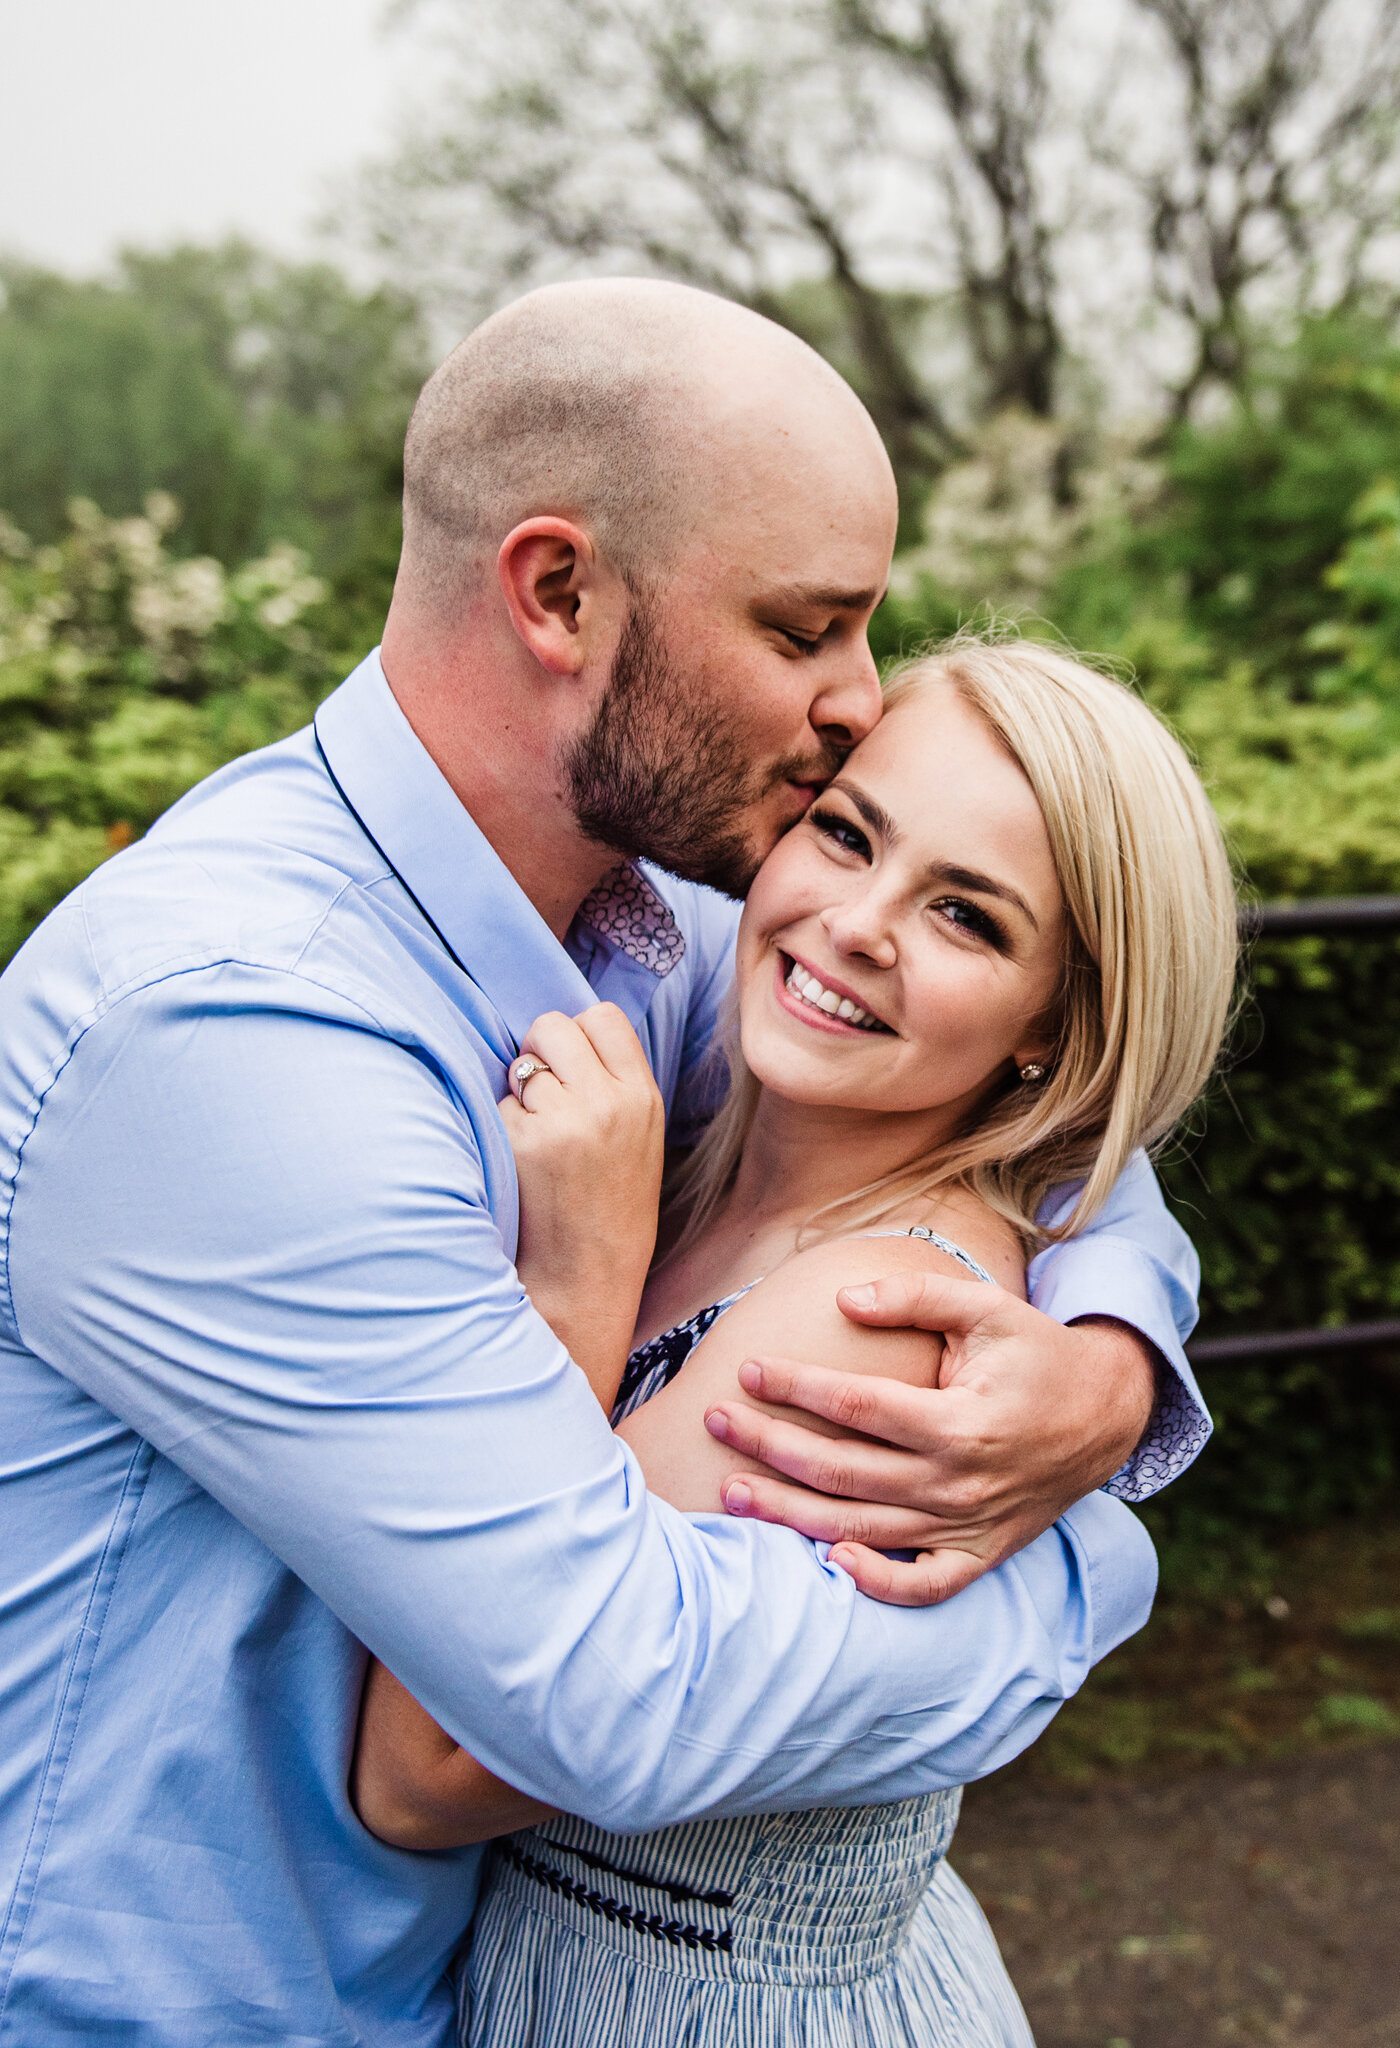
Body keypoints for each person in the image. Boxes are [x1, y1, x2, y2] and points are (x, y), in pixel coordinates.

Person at [0, 281, 1206, 2044]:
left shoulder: (643, 930)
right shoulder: (245, 1034)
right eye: (809, 629)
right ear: (561, 593)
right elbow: (565, 1700)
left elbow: (1029, 1107)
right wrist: (1085, 1578)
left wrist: (1102, 1375)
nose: (857, 703)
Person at [350, 633, 1238, 2045]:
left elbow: (433, 1769)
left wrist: (579, 1284)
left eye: (969, 918)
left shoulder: (869, 1317)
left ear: (1047, 1033)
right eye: (846, 833)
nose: (856, 922)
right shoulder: (732, 1133)